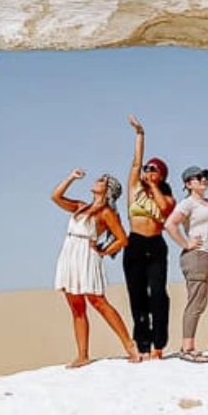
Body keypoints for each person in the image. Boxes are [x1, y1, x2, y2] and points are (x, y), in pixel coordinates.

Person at [51, 169, 139, 368]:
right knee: (76, 307)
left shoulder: (106, 212)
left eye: (102, 181)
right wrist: (71, 177)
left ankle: (129, 345)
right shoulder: (80, 207)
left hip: (87, 256)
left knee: (98, 301)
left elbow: (122, 239)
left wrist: (102, 251)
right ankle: (82, 355)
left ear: (107, 190)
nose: (96, 181)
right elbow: (55, 197)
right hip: (69, 254)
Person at [164, 166, 208, 363]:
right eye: (199, 177)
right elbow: (170, 224)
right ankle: (187, 348)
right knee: (197, 302)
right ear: (188, 184)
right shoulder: (188, 203)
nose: (204, 179)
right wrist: (186, 243)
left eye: (205, 176)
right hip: (196, 256)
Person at [123, 115, 176, 359]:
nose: (147, 171)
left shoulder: (165, 195)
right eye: (147, 168)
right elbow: (136, 162)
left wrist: (154, 185)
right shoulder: (135, 187)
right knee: (137, 295)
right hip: (134, 243)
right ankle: (142, 344)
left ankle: (158, 345)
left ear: (161, 175)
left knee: (157, 293)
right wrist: (140, 134)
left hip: (155, 245)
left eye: (153, 169)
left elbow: (166, 210)